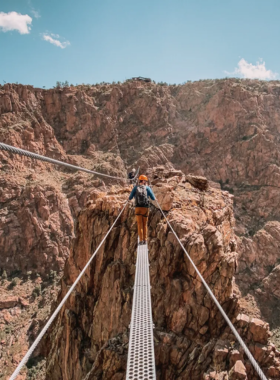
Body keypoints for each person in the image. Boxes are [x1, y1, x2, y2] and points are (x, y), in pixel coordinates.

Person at [129, 175, 155, 245]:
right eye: (145, 181)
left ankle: (140, 240)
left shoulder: (135, 188)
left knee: (139, 224)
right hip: (145, 208)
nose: (146, 182)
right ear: (143, 181)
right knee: (145, 224)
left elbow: (130, 197)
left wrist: (134, 196)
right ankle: (145, 240)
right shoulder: (147, 188)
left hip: (137, 208)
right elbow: (153, 198)